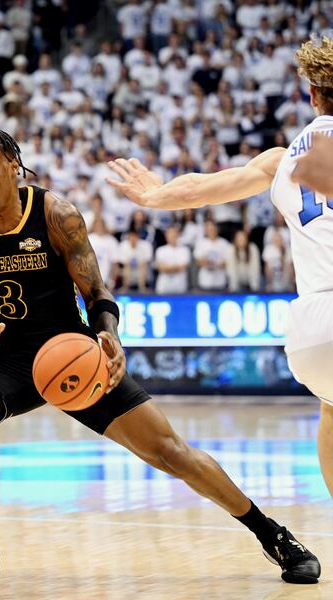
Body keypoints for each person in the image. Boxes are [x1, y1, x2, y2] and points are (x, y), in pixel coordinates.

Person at [0, 128, 319, 593]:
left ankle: (273, 535)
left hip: (73, 356)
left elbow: (96, 293)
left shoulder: (57, 215)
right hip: (3, 361)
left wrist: (108, 336)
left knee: (171, 453)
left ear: (13, 169)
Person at [106, 36, 333, 502]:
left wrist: (154, 194)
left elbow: (203, 189)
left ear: (312, 96)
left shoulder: (281, 159)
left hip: (310, 330)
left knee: (331, 410)